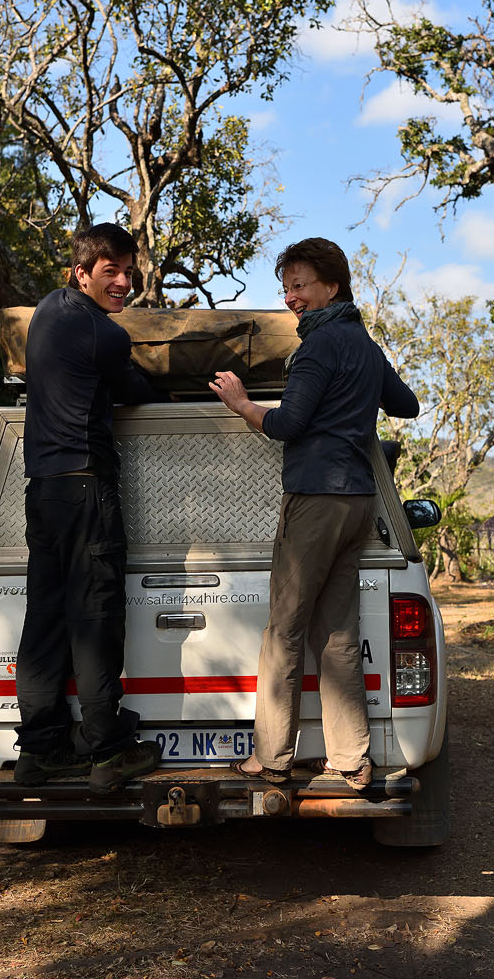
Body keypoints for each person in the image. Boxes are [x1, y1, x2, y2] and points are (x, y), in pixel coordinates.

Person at [209, 237, 419, 790]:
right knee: (338, 633)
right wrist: (359, 394)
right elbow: (407, 405)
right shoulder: (364, 345)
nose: (291, 297)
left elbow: (286, 425)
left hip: (316, 500)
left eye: (300, 285)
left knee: (285, 630)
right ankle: (350, 758)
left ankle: (272, 758)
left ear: (333, 286)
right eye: (287, 287)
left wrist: (241, 403)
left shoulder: (318, 345)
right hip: (357, 501)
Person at [14, 222, 163, 793]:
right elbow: (138, 388)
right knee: (95, 621)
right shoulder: (106, 334)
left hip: (43, 489)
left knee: (45, 622)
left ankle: (42, 750)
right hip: (84, 489)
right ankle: (109, 749)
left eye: (130, 271)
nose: (124, 282)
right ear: (81, 273)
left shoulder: (47, 313)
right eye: (111, 272)